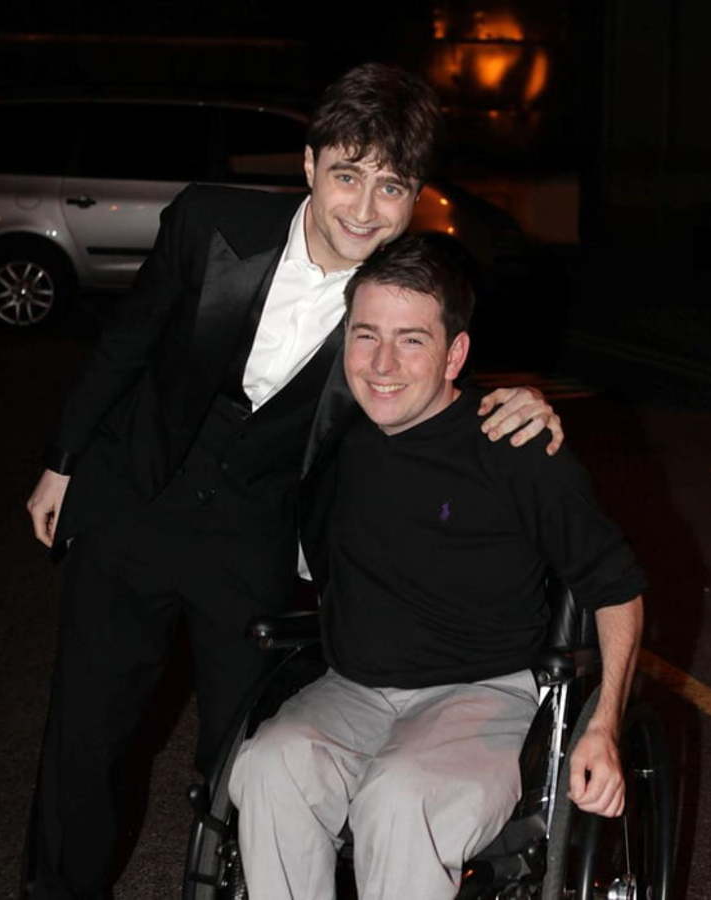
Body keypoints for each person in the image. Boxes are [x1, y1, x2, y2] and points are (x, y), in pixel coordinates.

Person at [23, 64, 563, 899]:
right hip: (137, 503)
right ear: (309, 165)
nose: (364, 208)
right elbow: (127, 341)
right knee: (85, 740)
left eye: (391, 187)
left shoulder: (400, 288)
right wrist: (61, 462)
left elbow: (432, 379)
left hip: (256, 539)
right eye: (348, 175)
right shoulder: (210, 220)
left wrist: (519, 403)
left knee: (240, 760)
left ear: (414, 196)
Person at [229, 233, 646, 900]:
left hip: (482, 694)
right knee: (265, 769)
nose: (382, 364)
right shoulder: (334, 435)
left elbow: (617, 589)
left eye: (412, 340)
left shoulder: (513, 445)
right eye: (366, 336)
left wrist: (604, 727)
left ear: (455, 354)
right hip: (352, 690)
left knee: (399, 801)